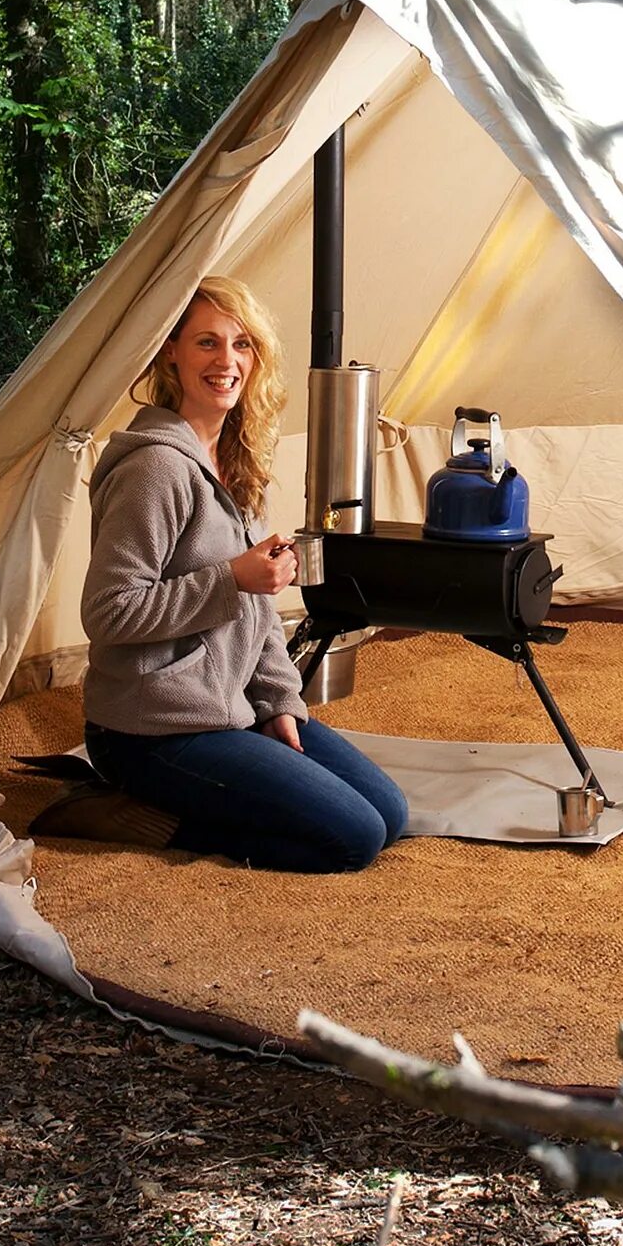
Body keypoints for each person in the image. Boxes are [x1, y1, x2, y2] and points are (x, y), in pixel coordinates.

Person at [78, 276, 408, 871]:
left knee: (390, 812)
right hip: (151, 731)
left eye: (242, 344)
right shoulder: (155, 470)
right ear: (169, 352)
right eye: (207, 342)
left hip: (229, 705)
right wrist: (232, 578)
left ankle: (232, 778)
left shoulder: (230, 461)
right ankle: (149, 819)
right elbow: (108, 612)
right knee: (353, 838)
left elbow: (255, 610)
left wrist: (281, 701)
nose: (226, 361)